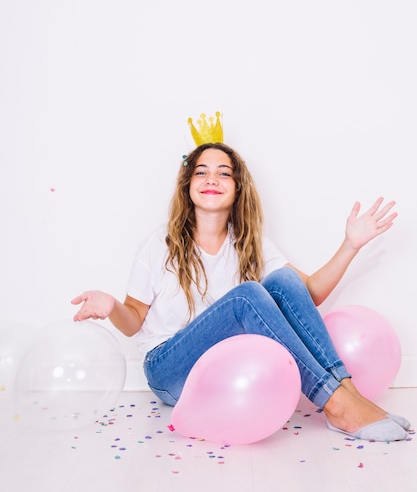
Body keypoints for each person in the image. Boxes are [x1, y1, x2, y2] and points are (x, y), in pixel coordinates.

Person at [72, 141, 410, 442]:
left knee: (284, 282)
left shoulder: (250, 243)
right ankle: (336, 403)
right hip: (170, 369)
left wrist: (349, 246)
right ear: (188, 186)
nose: (212, 179)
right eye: (201, 172)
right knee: (247, 296)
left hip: (228, 368)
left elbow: (308, 295)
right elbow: (132, 322)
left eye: (224, 173)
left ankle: (347, 394)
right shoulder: (159, 244)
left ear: (237, 188)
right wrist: (113, 305)